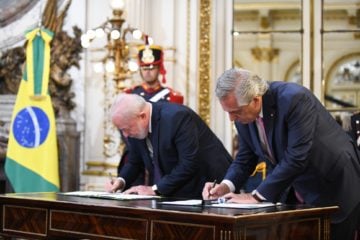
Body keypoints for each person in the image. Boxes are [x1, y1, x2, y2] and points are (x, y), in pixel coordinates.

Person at [202, 68, 360, 240]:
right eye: (228, 112)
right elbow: (245, 158)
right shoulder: (242, 113)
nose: (231, 119)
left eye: (235, 112)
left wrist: (254, 196)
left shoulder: (294, 99)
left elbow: (296, 157)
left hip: (333, 184)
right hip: (298, 188)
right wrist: (225, 186)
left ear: (255, 100)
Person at [107, 93, 232, 198]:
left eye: (126, 129)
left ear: (142, 116)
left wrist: (154, 189)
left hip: (208, 186)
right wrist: (121, 181)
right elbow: (134, 161)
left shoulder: (176, 117)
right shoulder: (133, 125)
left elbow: (188, 164)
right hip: (177, 188)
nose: (125, 135)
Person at [117, 44, 183, 183]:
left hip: (161, 155)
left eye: (152, 68)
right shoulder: (129, 94)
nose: (148, 72)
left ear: (160, 68)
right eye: (145, 68)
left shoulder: (172, 97)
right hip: (135, 155)